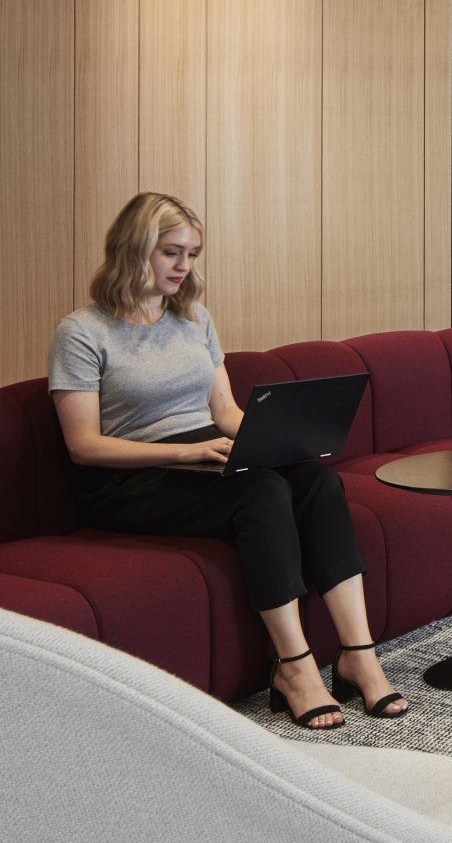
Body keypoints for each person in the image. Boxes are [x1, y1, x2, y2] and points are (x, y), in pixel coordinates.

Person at [47, 192, 408, 730]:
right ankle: (294, 668)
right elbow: (85, 445)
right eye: (171, 252)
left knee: (316, 482)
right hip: (127, 478)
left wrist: (277, 441)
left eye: (192, 254)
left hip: (204, 456)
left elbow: (224, 411)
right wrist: (187, 451)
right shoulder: (82, 331)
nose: (183, 266)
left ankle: (358, 654)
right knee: (261, 493)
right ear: (133, 249)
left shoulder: (193, 318)